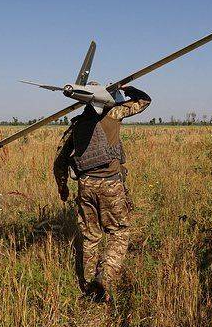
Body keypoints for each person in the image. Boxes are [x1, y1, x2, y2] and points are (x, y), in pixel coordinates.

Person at [53, 84, 151, 302]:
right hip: (111, 186)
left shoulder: (76, 125)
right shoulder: (115, 114)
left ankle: (88, 287)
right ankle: (104, 280)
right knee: (119, 232)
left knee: (91, 236)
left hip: (85, 186)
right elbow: (144, 101)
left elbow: (59, 161)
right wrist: (129, 89)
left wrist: (63, 187)